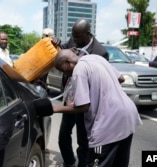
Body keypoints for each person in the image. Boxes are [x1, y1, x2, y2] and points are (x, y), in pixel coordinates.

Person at [53, 49, 142, 167]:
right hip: (128, 117)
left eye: (62, 70)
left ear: (68, 62)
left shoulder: (78, 71)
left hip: (108, 124)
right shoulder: (96, 58)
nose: (65, 74)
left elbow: (83, 106)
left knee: (96, 162)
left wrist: (55, 109)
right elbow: (121, 78)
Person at [57, 19, 108, 167]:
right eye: (73, 36)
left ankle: (83, 164)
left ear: (88, 34)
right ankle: (69, 161)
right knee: (63, 135)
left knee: (83, 139)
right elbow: (60, 54)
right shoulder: (73, 41)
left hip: (85, 102)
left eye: (78, 36)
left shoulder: (100, 52)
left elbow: (99, 79)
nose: (74, 39)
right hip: (69, 97)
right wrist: (58, 45)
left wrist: (79, 60)